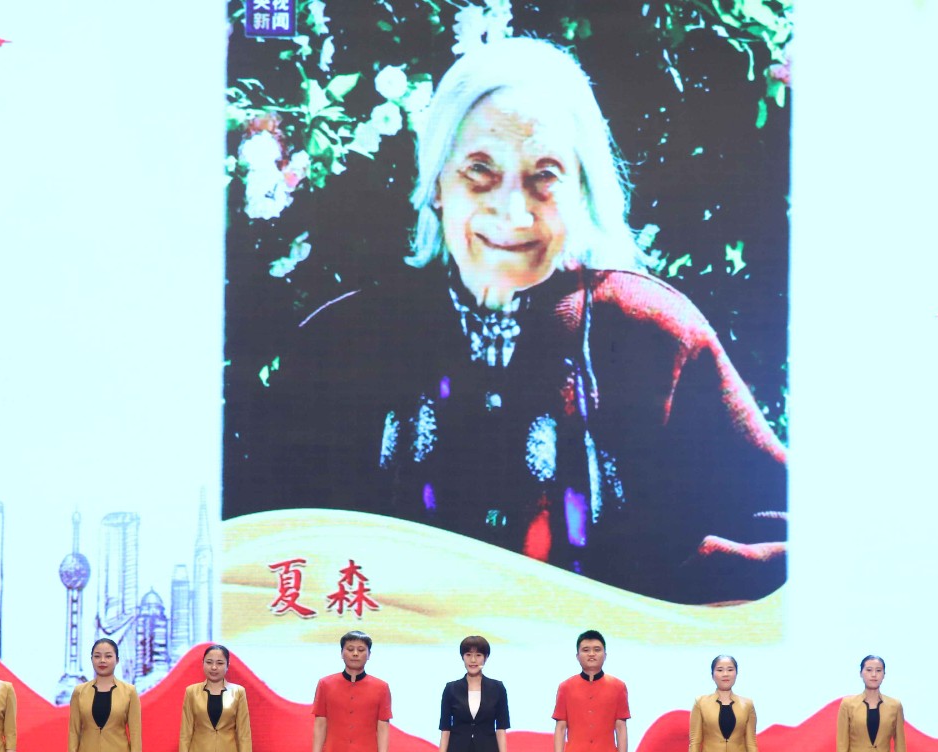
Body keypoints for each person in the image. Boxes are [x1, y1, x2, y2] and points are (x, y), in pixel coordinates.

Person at [225, 36, 786, 605]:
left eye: (545, 174)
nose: (513, 213)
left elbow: (783, 526)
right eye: (480, 170)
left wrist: (663, 609)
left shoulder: (653, 336)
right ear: (437, 186)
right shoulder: (342, 344)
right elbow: (256, 546)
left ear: (582, 189)